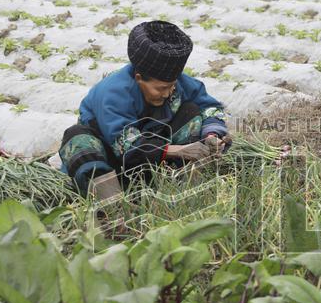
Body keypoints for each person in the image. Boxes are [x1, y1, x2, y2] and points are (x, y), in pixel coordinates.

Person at [59, 20, 231, 201]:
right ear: (139, 78)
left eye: (172, 86)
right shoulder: (112, 93)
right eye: (161, 88)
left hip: (151, 164)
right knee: (77, 137)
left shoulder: (175, 82)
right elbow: (127, 146)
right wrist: (177, 150)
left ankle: (179, 189)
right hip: (113, 166)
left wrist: (212, 135)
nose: (167, 93)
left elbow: (209, 107)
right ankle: (113, 208)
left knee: (191, 111)